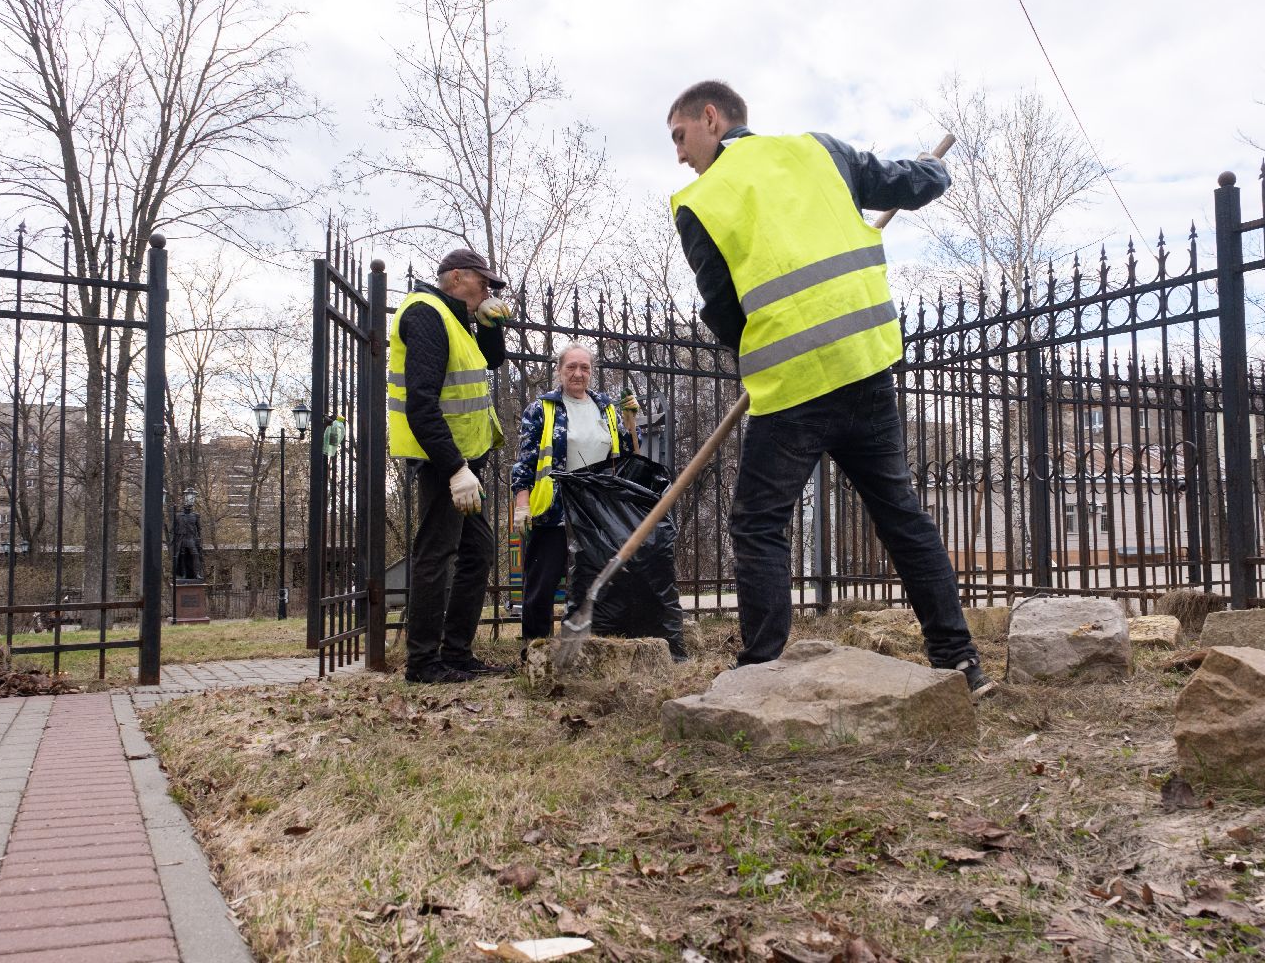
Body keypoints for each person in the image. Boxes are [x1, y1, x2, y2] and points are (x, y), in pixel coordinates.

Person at [665, 79, 995, 698]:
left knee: (759, 522)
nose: (680, 154)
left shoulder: (701, 201)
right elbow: (910, 185)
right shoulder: (817, 150)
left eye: (680, 137)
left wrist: (768, 349)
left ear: (711, 118)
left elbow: (723, 309)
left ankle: (762, 668)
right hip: (866, 366)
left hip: (793, 387)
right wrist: (932, 173)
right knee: (900, 515)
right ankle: (960, 662)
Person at [386, 247, 514, 684]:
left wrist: (491, 326)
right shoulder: (425, 314)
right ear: (456, 277)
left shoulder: (454, 317)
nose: (488, 289)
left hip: (466, 460)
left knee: (478, 553)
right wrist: (456, 469)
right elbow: (421, 404)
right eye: (484, 282)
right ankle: (423, 662)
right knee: (435, 554)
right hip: (445, 460)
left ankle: (456, 652)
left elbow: (491, 363)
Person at [509, 343, 637, 641]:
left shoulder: (606, 408)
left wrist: (631, 421)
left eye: (585, 368)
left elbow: (628, 452)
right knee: (543, 581)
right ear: (559, 370)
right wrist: (522, 504)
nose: (578, 374)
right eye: (571, 367)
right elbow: (525, 461)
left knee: (594, 579)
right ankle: (534, 650)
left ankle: (589, 644)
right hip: (554, 508)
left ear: (591, 372)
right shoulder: (542, 409)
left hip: (597, 510)